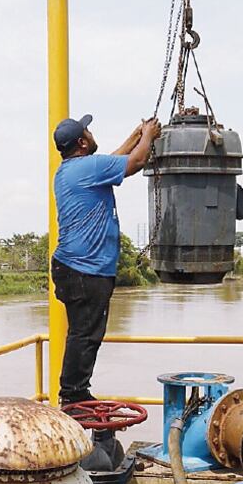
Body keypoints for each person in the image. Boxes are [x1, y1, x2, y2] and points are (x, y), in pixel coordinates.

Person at [51, 113, 162, 405]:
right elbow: (135, 163)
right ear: (82, 142)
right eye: (87, 130)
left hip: (73, 268)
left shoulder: (75, 169)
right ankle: (73, 396)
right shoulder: (87, 168)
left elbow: (114, 158)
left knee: (83, 332)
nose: (90, 132)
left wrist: (136, 134)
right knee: (85, 334)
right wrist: (148, 136)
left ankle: (76, 391)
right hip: (85, 270)